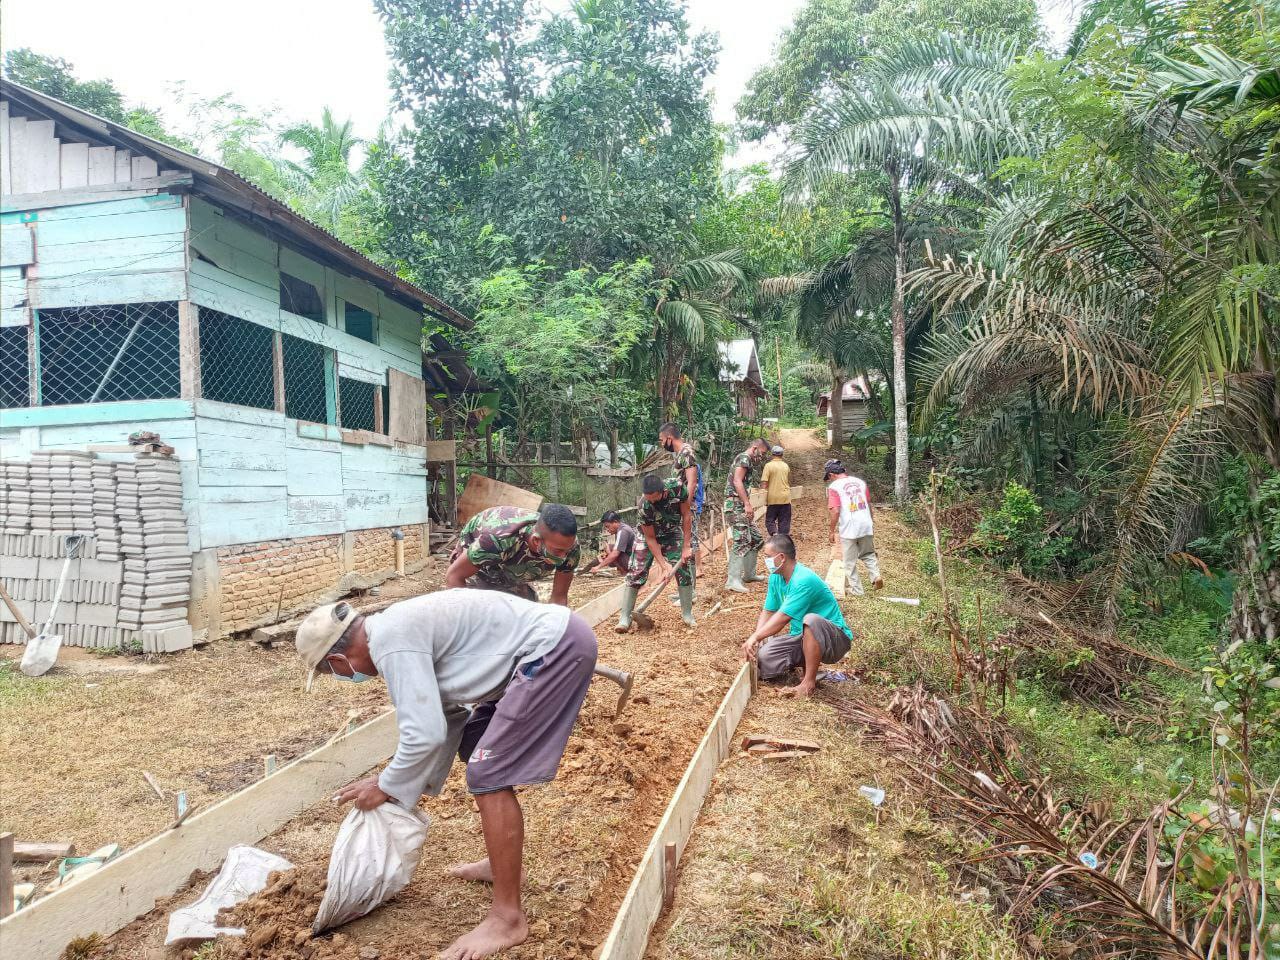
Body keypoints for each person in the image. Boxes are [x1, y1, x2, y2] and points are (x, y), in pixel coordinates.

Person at [297, 590, 598, 959]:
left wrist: (387, 785)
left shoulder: (391, 643)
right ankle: (502, 866)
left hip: (554, 649)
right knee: (477, 745)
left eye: (332, 672)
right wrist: (398, 786)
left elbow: (423, 733)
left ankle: (507, 919)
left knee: (487, 771)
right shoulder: (393, 632)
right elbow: (447, 718)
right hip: (550, 644)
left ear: (339, 659)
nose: (341, 677)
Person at [740, 534, 853, 697]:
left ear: (781, 557)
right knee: (765, 660)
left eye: (768, 557)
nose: (765, 561)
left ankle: (808, 682)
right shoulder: (776, 577)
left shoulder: (803, 580)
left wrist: (755, 637)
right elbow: (769, 610)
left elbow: (782, 618)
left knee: (810, 620)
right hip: (800, 636)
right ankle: (803, 662)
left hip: (835, 640)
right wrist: (757, 639)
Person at [446, 504, 580, 605]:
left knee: (524, 614)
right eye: (558, 552)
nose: (563, 557)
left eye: (566, 551)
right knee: (484, 615)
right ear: (536, 540)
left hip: (511, 568)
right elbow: (454, 576)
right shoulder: (496, 540)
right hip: (480, 564)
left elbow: (559, 597)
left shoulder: (569, 546)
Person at [617, 473, 695, 630]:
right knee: (636, 571)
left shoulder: (678, 488)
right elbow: (651, 539)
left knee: (684, 568)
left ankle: (687, 614)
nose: (651, 501)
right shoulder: (644, 506)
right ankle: (625, 617)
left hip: (672, 532)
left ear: (664, 491)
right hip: (647, 536)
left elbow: (686, 515)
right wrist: (663, 565)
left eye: (654, 498)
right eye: (648, 498)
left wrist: (686, 546)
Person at [825, 459, 884, 594]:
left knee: (849, 562)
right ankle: (875, 576)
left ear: (832, 474)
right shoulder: (860, 483)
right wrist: (871, 522)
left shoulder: (834, 487)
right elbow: (869, 505)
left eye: (828, 477)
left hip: (849, 527)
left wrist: (831, 531)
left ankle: (857, 591)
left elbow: (835, 511)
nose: (829, 480)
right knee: (868, 553)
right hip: (866, 523)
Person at [723, 438, 769, 593]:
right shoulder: (744, 458)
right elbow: (737, 481)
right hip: (736, 505)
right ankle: (732, 580)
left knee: (756, 539)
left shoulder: (746, 460)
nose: (761, 457)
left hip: (742, 505)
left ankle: (749, 574)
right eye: (761, 453)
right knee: (741, 540)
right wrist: (747, 504)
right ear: (754, 448)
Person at [658, 422, 704, 579]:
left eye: (662, 440)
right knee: (684, 544)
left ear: (669, 438)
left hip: (686, 508)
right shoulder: (680, 454)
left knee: (688, 544)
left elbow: (692, 482)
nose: (662, 444)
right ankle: (687, 589)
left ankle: (690, 591)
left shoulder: (686, 453)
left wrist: (686, 505)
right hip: (680, 507)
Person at [581, 510, 637, 576]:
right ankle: (585, 570)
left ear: (615, 522)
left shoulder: (623, 531)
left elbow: (615, 554)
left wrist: (598, 567)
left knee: (611, 550)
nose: (607, 529)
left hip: (635, 564)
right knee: (610, 549)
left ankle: (625, 572)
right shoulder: (622, 529)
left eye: (608, 526)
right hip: (633, 559)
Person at [760, 445, 793, 535]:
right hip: (785, 498)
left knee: (770, 520)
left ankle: (774, 534)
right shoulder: (786, 466)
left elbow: (764, 482)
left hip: (773, 498)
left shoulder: (768, 466)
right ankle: (783, 538)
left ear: (772, 454)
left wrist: (762, 496)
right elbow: (788, 480)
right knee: (784, 521)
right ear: (782, 455)